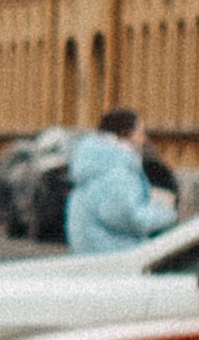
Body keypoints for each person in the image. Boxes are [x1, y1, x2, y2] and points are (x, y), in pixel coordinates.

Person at [66, 105, 178, 255]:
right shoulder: (115, 171)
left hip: (92, 251)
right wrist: (166, 215)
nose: (144, 139)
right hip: (114, 257)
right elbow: (127, 217)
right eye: (140, 133)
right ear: (124, 133)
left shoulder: (96, 164)